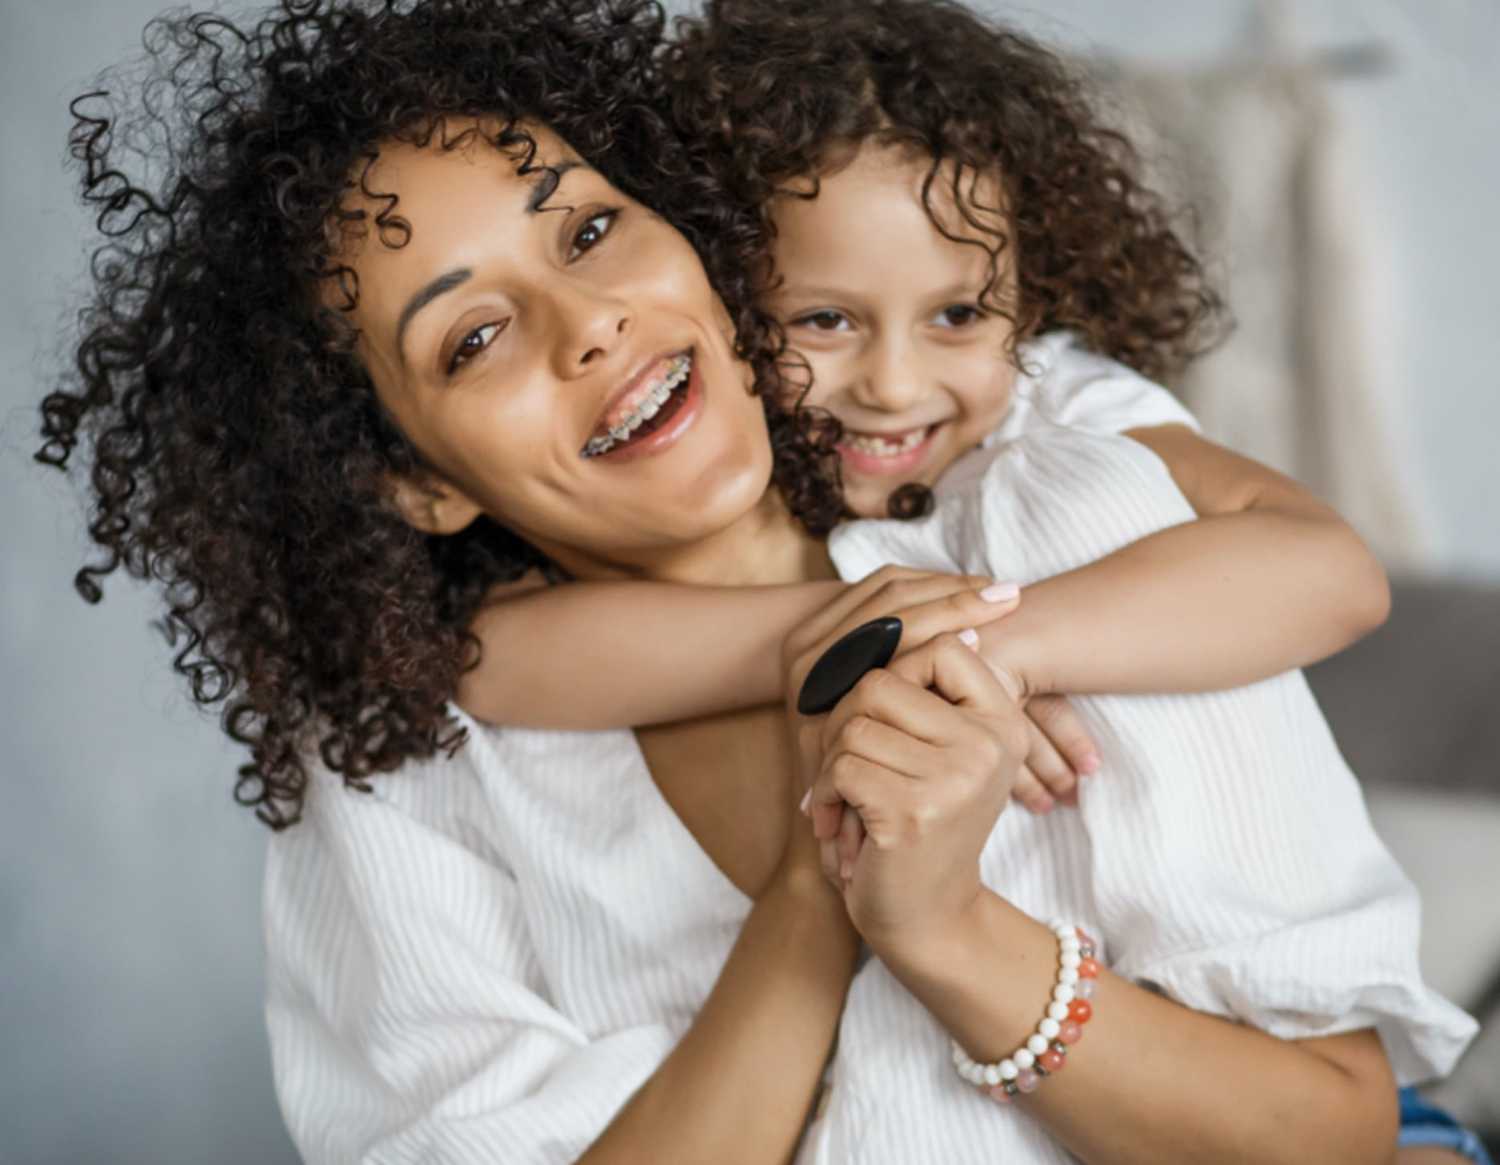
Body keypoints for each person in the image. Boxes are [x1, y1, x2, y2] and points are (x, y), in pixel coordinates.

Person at [38, 1, 1478, 1162]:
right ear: (416, 478)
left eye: (592, 229)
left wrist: (953, 928)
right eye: (472, 339)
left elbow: (1336, 1131)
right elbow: (483, 669)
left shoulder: (1046, 488)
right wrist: (820, 893)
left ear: (697, 226)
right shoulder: (403, 756)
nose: (587, 324)